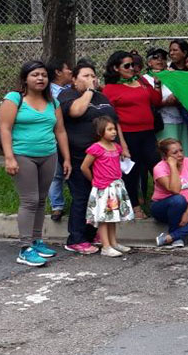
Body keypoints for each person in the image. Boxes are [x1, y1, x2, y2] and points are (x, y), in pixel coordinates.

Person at [0, 60, 72, 267]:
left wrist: (66, 158)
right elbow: (5, 128)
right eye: (35, 75)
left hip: (48, 155)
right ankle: (24, 248)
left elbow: (60, 131)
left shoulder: (53, 102)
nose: (40, 78)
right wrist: (9, 157)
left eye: (43, 75)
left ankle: (37, 241)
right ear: (25, 79)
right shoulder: (14, 99)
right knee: (29, 200)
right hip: (23, 155)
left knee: (41, 200)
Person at [60, 60, 126, 255]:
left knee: (100, 197)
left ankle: (96, 234)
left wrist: (123, 146)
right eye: (85, 76)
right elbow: (76, 111)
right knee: (81, 196)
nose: (91, 79)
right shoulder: (68, 95)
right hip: (80, 156)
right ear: (74, 79)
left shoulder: (102, 97)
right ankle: (76, 238)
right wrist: (88, 91)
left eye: (93, 76)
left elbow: (114, 122)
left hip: (105, 158)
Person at [103, 50, 162, 219]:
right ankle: (134, 206)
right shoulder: (110, 89)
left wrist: (156, 84)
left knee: (157, 166)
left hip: (148, 133)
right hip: (128, 135)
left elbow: (156, 101)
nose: (132, 68)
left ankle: (160, 200)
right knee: (131, 172)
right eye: (127, 66)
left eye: (133, 65)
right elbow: (112, 118)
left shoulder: (140, 81)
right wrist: (122, 144)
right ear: (116, 68)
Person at [80, 117, 134, 257]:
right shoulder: (96, 148)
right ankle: (106, 246)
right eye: (109, 129)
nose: (114, 132)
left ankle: (113, 243)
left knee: (113, 216)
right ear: (100, 131)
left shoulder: (116, 147)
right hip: (103, 188)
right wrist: (94, 180)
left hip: (115, 186)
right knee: (104, 218)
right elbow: (84, 167)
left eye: (114, 129)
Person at [144, 47, 188, 149]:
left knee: (183, 152)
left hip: (180, 119)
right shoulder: (145, 79)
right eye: (156, 57)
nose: (160, 60)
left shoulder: (172, 76)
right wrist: (164, 102)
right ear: (149, 62)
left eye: (163, 57)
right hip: (163, 122)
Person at [46, 57, 73, 222]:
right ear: (58, 72)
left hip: (73, 136)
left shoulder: (72, 88)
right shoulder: (47, 92)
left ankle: (79, 201)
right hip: (54, 138)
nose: (70, 71)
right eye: (67, 68)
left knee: (73, 171)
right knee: (56, 174)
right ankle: (57, 206)